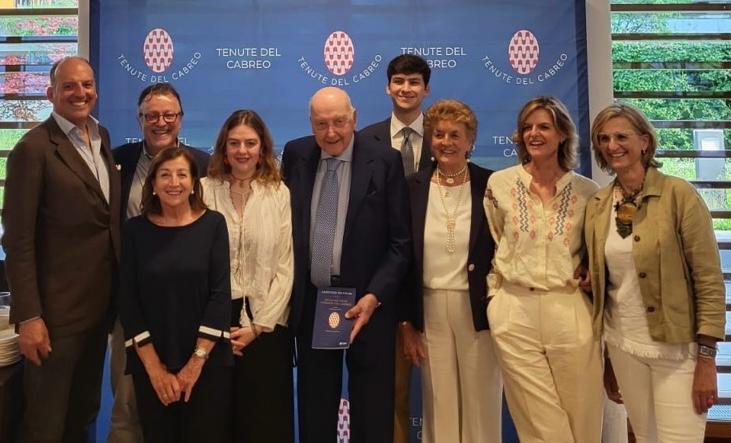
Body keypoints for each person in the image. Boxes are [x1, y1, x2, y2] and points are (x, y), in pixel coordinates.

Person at [585, 103, 725, 443]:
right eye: (604, 138)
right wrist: (608, 359)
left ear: (645, 142)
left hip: (677, 353)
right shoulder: (598, 205)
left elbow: (708, 280)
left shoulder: (680, 195)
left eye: (621, 136)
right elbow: (607, 284)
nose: (612, 145)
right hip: (623, 346)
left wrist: (707, 360)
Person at [281, 86, 411, 443]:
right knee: (315, 409)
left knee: (372, 412)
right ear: (310, 123)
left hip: (368, 306)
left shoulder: (384, 160)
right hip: (313, 303)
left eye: (339, 122)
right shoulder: (296, 154)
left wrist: (375, 296)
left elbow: (400, 243)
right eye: (321, 124)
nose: (331, 133)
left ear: (354, 118)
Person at [3, 56, 121, 443]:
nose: (79, 93)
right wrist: (29, 317)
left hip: (97, 310)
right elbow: (17, 240)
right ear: (50, 93)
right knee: (45, 424)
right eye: (69, 86)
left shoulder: (101, 138)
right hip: (54, 319)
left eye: (86, 84)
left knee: (82, 413)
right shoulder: (33, 149)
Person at [484, 96, 602, 442]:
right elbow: (493, 239)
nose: (534, 134)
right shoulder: (499, 184)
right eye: (527, 127)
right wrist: (495, 299)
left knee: (582, 414)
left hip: (568, 308)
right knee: (536, 420)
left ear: (563, 134)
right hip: (514, 308)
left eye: (544, 127)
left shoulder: (588, 192)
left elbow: (596, 251)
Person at [110, 82, 209, 443]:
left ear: (181, 118)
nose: (161, 122)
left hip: (187, 306)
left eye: (169, 115)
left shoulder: (204, 165)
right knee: (128, 406)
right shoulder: (117, 161)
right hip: (131, 302)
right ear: (139, 119)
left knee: (187, 403)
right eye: (151, 115)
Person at [402, 99, 502, 442]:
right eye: (439, 134)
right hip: (429, 308)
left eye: (455, 135)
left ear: (470, 140)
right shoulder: (412, 187)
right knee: (438, 402)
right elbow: (404, 259)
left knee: (482, 400)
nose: (446, 142)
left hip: (478, 308)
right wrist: (407, 323)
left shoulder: (492, 185)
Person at [119, 148, 233, 443]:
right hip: (151, 361)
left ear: (194, 182)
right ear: (153, 184)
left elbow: (220, 295)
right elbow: (128, 300)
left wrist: (195, 364)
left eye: (182, 174)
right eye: (165, 175)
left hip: (205, 362)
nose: (174, 182)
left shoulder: (214, 224)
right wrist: (155, 369)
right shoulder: (134, 230)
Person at [201, 109, 294, 442]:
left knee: (263, 423)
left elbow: (285, 265)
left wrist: (258, 326)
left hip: (266, 326)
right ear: (223, 149)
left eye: (250, 143)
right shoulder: (203, 191)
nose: (242, 150)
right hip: (212, 325)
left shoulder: (279, 193)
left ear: (262, 148)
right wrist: (214, 328)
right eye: (234, 143)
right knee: (215, 421)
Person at [359, 54, 431, 443]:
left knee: (446, 390)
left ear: (426, 89)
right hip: (383, 280)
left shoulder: (445, 137)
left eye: (414, 82)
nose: (406, 89)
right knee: (391, 391)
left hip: (437, 276)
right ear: (387, 87)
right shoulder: (365, 139)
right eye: (399, 81)